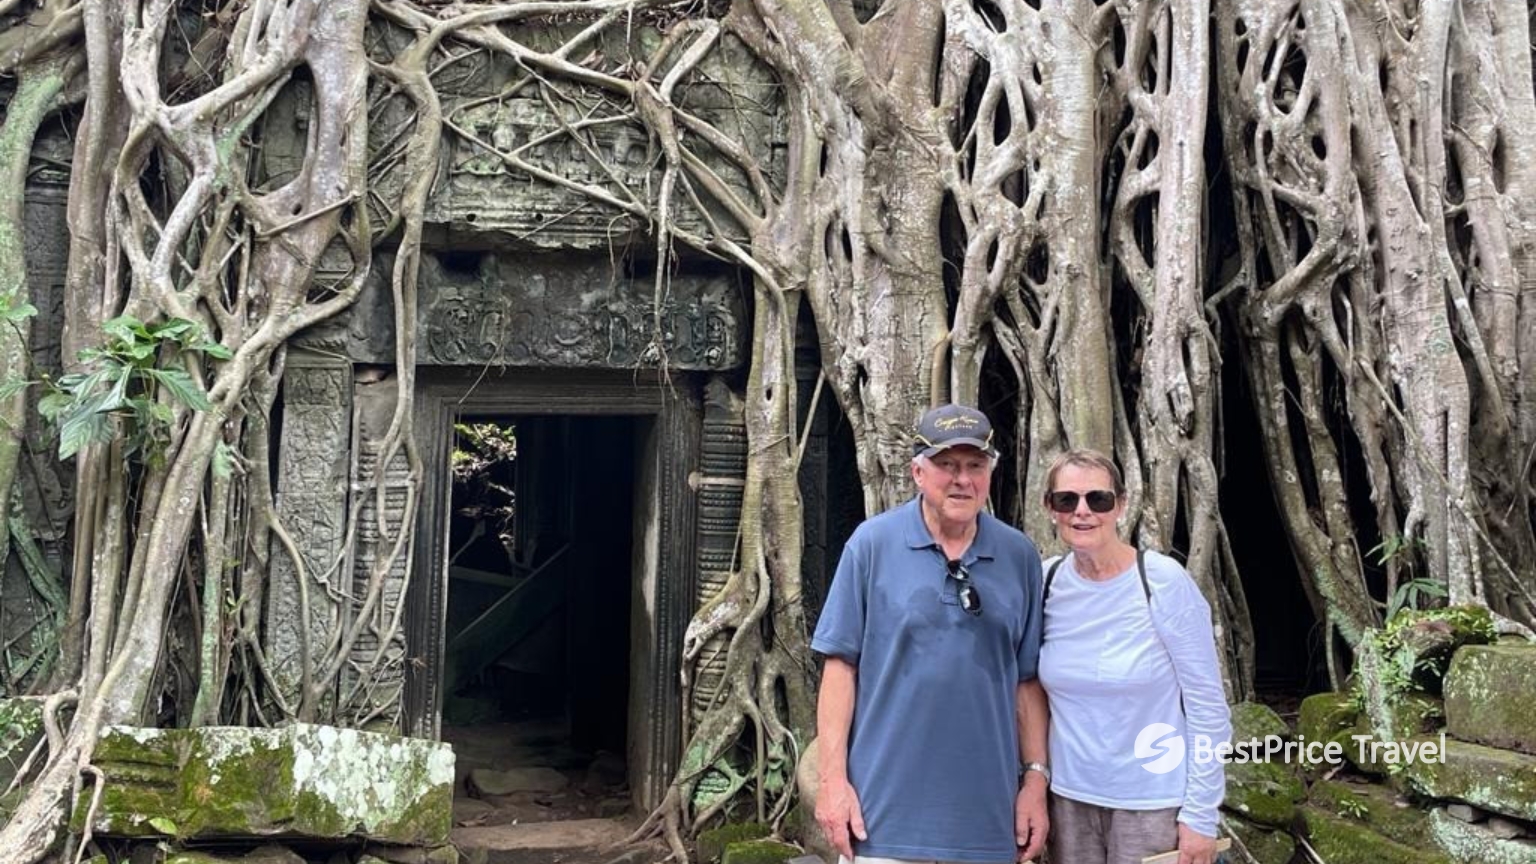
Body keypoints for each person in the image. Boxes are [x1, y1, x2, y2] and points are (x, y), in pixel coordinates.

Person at [812, 404, 1051, 864]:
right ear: (917, 472)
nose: (962, 479)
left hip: (987, 821)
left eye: (975, 465)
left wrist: (1035, 783)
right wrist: (831, 783)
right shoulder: (872, 545)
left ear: (990, 472)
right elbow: (840, 667)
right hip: (880, 818)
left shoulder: (1019, 556)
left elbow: (1026, 682)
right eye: (947, 465)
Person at [1035, 448, 1230, 864]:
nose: (1082, 512)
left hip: (1152, 801)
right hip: (1068, 799)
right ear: (1049, 508)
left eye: (1098, 499)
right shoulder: (1045, 582)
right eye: (1067, 500)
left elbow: (1207, 706)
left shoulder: (1161, 582)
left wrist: (1200, 814)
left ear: (1121, 505)